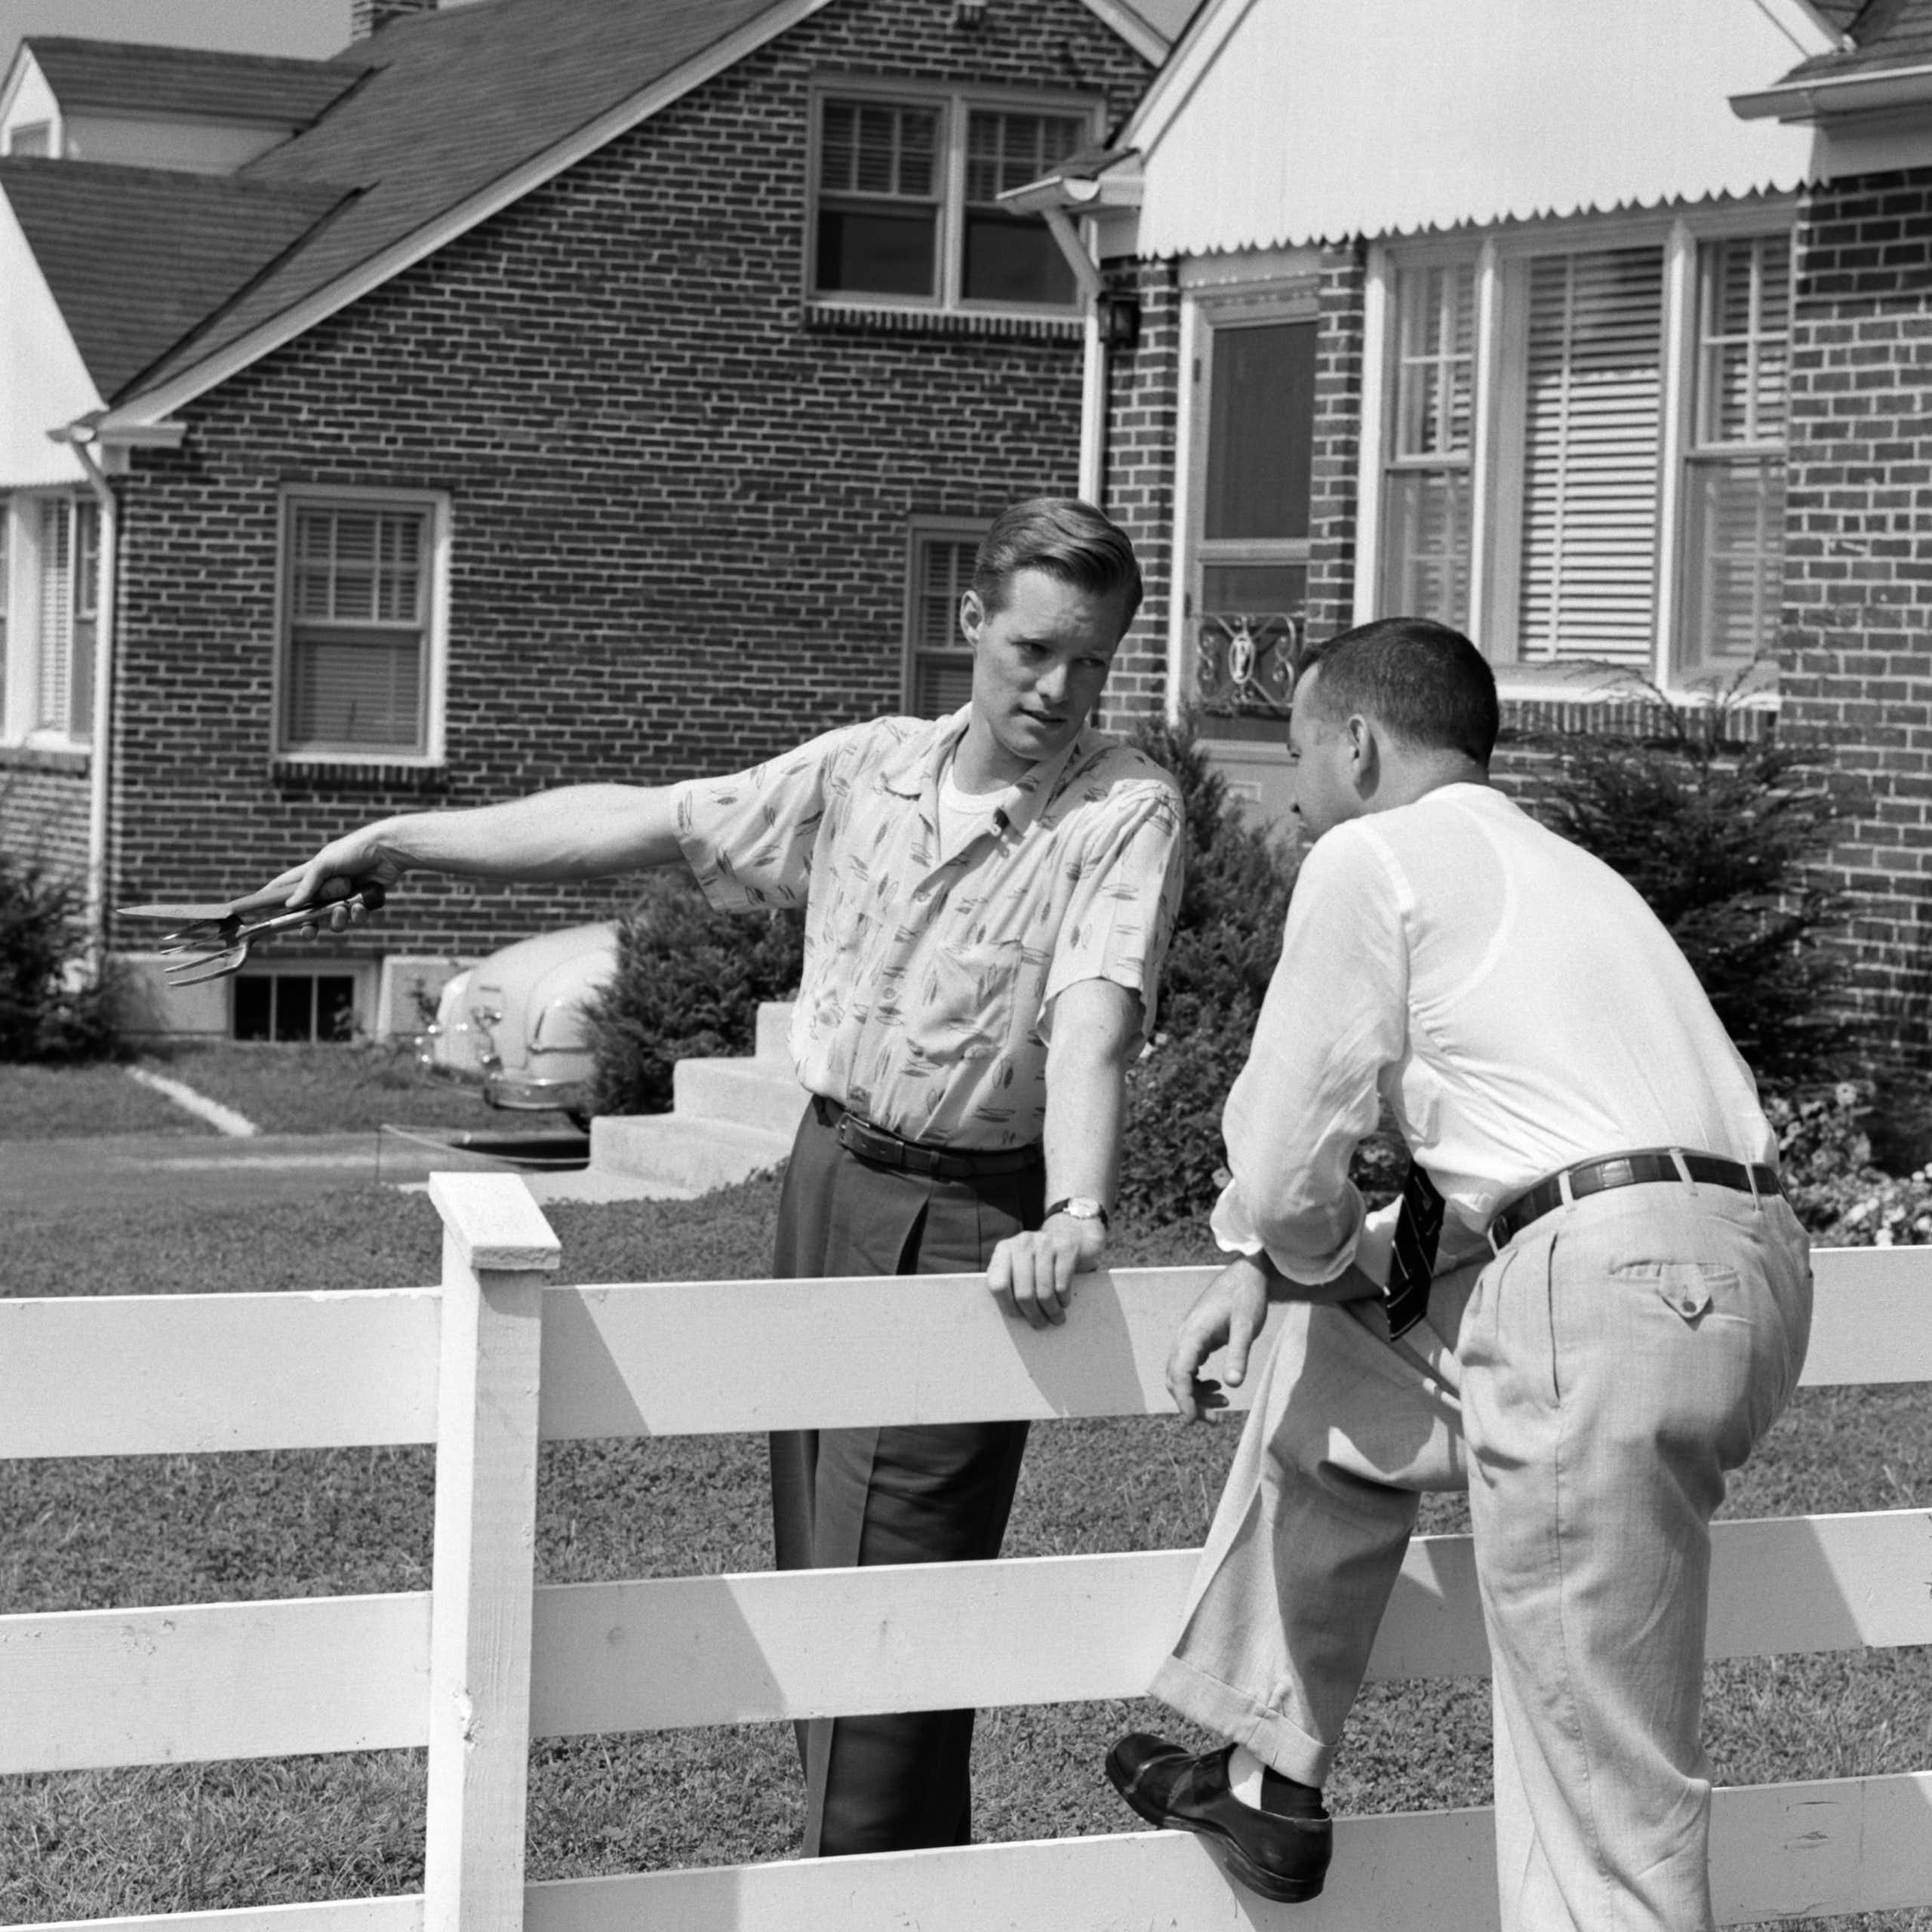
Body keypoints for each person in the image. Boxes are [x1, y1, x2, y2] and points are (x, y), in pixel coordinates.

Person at [245, 496, 1186, 1860]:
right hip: (825, 1178)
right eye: (1033, 649)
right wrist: (396, 840)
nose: (1056, 688)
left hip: (971, 1212)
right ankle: (869, 1887)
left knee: (897, 1611)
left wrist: (1081, 1211)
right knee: (820, 1575)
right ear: (970, 625)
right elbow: (643, 820)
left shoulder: (1123, 810)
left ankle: (877, 1892)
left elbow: (1094, 1018)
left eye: (1090, 662)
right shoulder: (869, 770)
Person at [1104, 618, 1810, 1932]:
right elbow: (1481, 1158)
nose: (1298, 790)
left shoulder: (1371, 855)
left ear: (1361, 745)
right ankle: (1269, 1772)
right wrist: (1288, 1270)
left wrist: (1284, 1244)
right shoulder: (1560, 872)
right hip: (1742, 1273)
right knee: (1345, 1370)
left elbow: (1285, 1140)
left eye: (1305, 752)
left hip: (1603, 1286)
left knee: (1598, 1812)